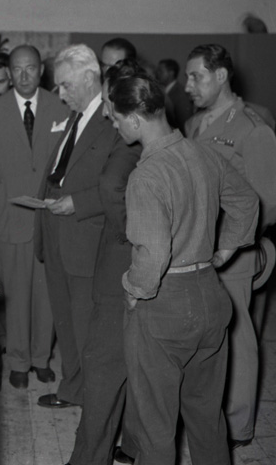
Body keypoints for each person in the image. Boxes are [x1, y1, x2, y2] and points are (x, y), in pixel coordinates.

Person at [108, 72, 259, 465]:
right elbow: (246, 202)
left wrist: (134, 290)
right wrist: (224, 251)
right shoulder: (203, 153)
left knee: (155, 429)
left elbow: (153, 252)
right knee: (207, 419)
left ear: (135, 119)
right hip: (210, 293)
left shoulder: (146, 175)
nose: (115, 125)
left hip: (164, 306)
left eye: (116, 118)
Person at [185, 43, 276, 448]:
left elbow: (268, 203)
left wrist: (230, 243)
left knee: (237, 338)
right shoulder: (194, 125)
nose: (188, 86)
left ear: (220, 76)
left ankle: (238, 427)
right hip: (197, 248)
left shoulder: (253, 129)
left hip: (232, 252)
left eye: (196, 76)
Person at [34, 44, 131, 409]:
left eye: (66, 85)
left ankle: (95, 402)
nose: (61, 94)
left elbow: (123, 182)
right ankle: (72, 389)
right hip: (58, 233)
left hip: (86, 237)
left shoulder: (114, 121)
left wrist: (78, 202)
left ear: (91, 77)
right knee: (67, 324)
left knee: (86, 326)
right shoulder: (76, 118)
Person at [0, 45, 68, 388]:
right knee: (14, 293)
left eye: (31, 68)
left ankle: (41, 358)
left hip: (49, 216)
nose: (24, 75)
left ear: (42, 70)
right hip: (8, 215)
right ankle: (18, 360)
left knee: (46, 294)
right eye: (17, 69)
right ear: (9, 73)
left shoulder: (62, 108)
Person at [68, 60, 141, 465]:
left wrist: (130, 235)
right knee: (126, 372)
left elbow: (112, 185)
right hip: (136, 270)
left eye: (109, 102)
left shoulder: (127, 141)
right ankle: (125, 449)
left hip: (119, 269)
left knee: (101, 370)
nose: (105, 111)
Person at [155, 58, 194, 132]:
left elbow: (184, 123)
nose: (157, 74)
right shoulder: (165, 90)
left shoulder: (180, 94)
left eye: (160, 71)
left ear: (171, 73)